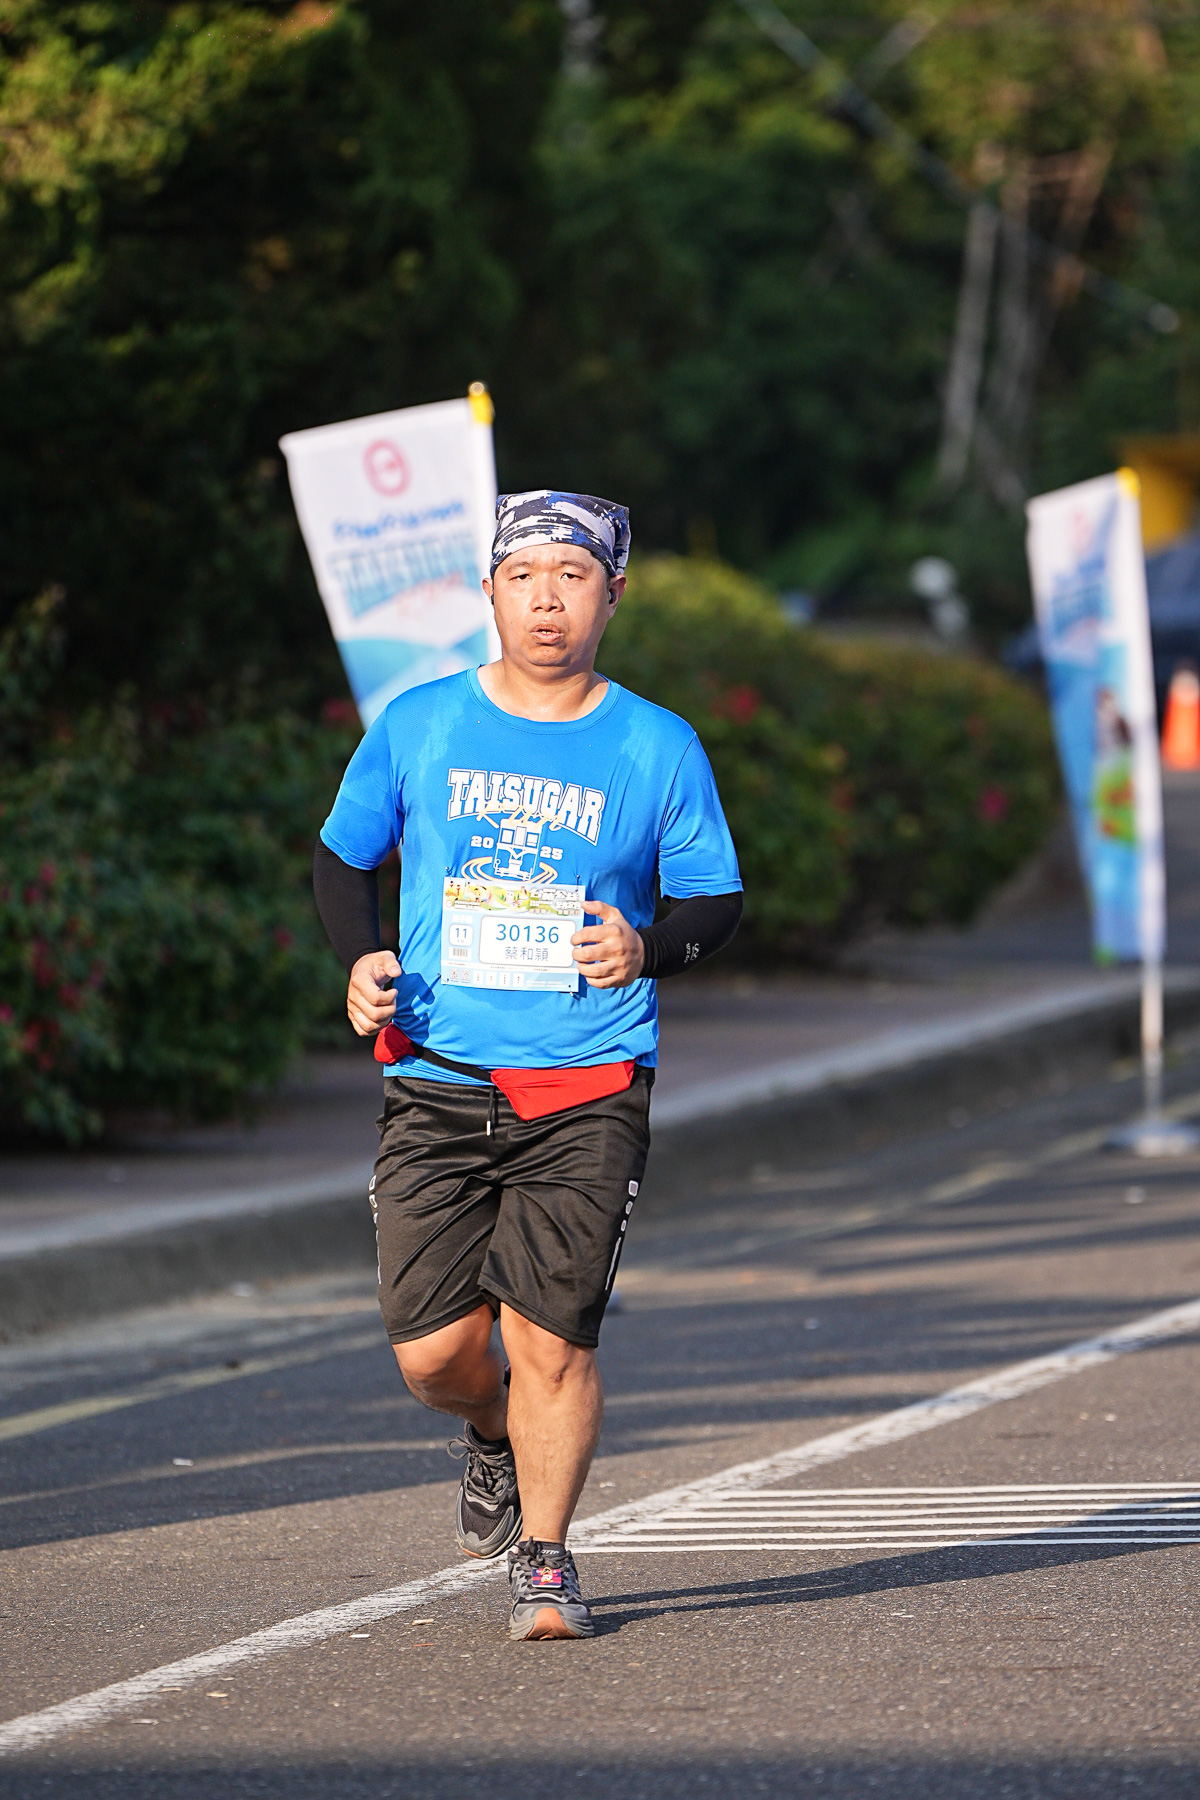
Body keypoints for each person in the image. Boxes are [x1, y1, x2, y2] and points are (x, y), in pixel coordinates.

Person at [314, 489, 742, 1640]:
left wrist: (646, 946)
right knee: (434, 1355)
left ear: (612, 595)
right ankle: (489, 1431)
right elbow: (344, 860)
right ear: (490, 592)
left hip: (589, 1081)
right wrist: (361, 959)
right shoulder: (420, 724)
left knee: (550, 1339)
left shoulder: (656, 744)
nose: (548, 599)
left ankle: (546, 1560)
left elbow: (715, 899)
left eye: (573, 576)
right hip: (438, 1075)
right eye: (525, 576)